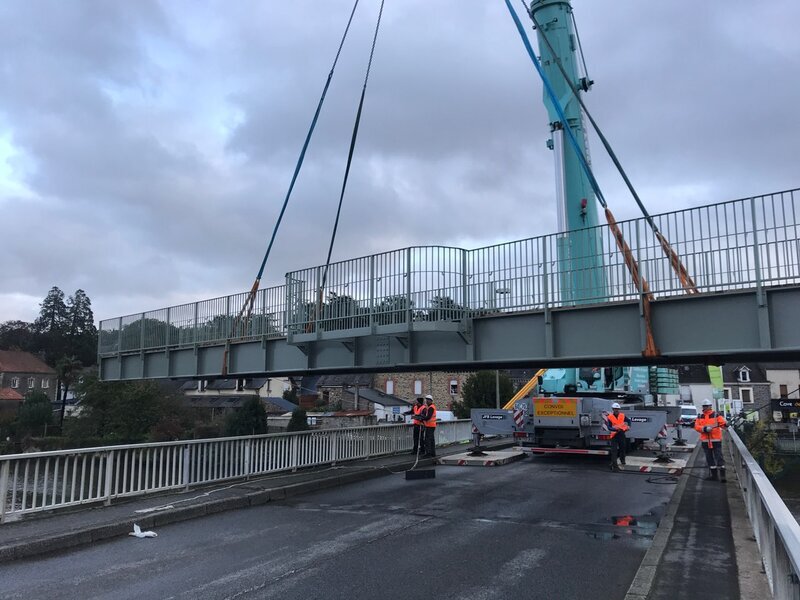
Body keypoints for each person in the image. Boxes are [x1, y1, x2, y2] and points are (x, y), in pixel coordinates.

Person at [694, 399, 727, 482]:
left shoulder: (716, 415)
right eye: (704, 406)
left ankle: (723, 476)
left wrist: (726, 424)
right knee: (709, 459)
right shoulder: (700, 416)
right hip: (705, 441)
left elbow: (723, 424)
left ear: (710, 406)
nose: (705, 408)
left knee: (719, 457)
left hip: (716, 440)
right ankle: (714, 476)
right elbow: (696, 427)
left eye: (706, 406)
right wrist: (704, 429)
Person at [605, 402, 631, 471]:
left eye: (617, 409)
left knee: (622, 448)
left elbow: (628, 420)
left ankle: (623, 460)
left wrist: (629, 426)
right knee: (614, 451)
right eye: (615, 409)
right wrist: (615, 429)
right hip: (614, 435)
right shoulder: (610, 417)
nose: (616, 410)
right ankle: (614, 464)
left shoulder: (622, 415)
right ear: (613, 409)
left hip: (621, 434)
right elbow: (609, 427)